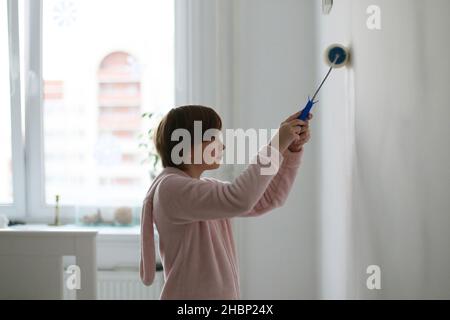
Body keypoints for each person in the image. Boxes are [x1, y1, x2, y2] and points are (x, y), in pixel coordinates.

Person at [140, 105, 312, 299]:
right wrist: (277, 144)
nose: (222, 146)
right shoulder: (171, 189)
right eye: (213, 137)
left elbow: (266, 199)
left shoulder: (199, 188)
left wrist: (289, 149)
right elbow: (241, 198)